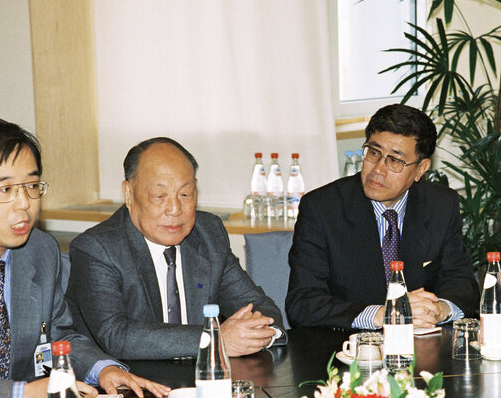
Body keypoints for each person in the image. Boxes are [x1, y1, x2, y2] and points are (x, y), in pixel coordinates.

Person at [0, 117, 169, 398]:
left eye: (31, 185)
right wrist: (20, 396)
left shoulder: (40, 251)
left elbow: (57, 337)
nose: (24, 203)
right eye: (5, 190)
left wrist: (102, 369)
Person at [66, 137, 286, 360]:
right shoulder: (98, 248)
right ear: (129, 194)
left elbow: (259, 307)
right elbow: (117, 336)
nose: (175, 209)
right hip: (124, 385)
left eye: (185, 194)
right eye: (160, 196)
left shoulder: (208, 234)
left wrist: (256, 332)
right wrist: (214, 340)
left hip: (198, 380)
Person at [286, 104, 479, 329]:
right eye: (374, 152)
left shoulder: (441, 205)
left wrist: (439, 309)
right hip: (349, 350)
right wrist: (382, 314)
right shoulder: (322, 208)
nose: (378, 168)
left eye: (395, 160)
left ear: (420, 169)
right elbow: (303, 302)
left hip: (423, 348)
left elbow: (462, 284)